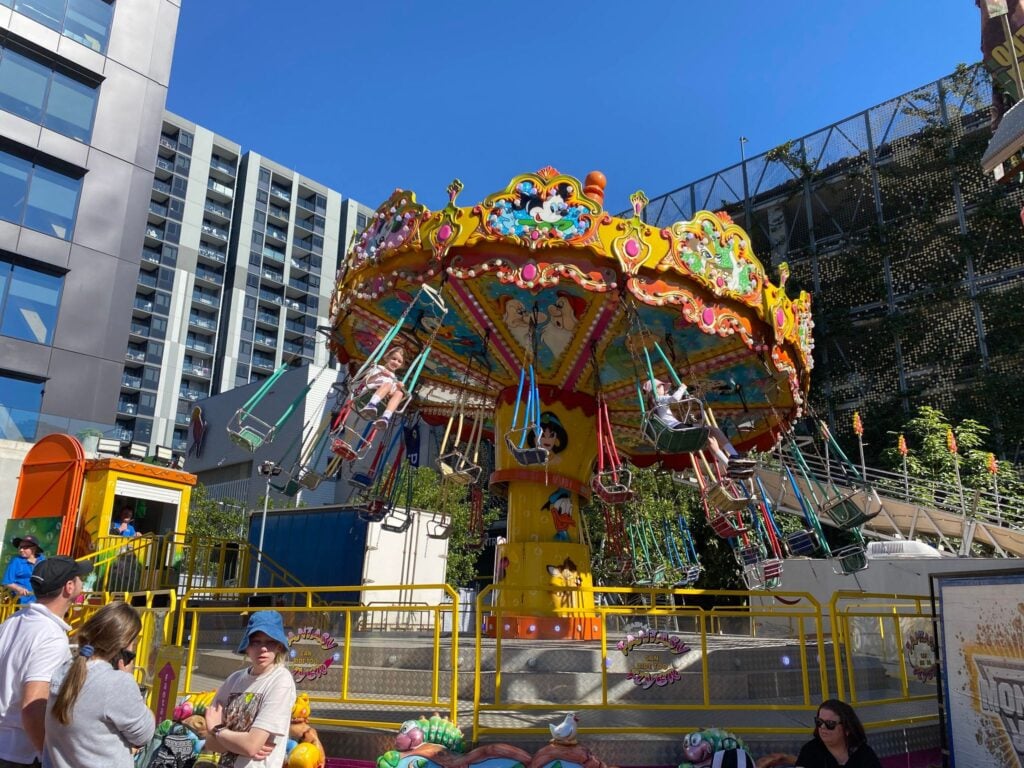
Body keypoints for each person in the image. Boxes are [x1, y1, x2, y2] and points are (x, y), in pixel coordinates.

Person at [0, 556, 91, 767]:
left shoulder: (12, 622)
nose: (82, 583)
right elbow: (33, 706)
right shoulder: (50, 636)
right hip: (20, 753)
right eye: (79, 579)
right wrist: (50, 756)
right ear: (69, 587)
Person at [44, 602, 154, 768]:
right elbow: (144, 734)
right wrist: (129, 679)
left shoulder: (65, 670)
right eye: (134, 643)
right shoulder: (117, 683)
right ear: (124, 646)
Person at [202, 611, 297, 768]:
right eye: (255, 642)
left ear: (279, 646)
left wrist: (217, 729)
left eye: (270, 642)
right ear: (247, 646)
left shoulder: (281, 680)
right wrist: (240, 743)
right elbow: (212, 744)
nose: (263, 649)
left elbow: (250, 746)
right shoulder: (233, 680)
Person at [643, 378, 755, 478]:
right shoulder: (659, 399)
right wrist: (682, 388)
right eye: (661, 386)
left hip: (674, 430)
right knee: (713, 430)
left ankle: (729, 466)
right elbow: (675, 399)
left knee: (710, 440)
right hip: (677, 428)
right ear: (656, 389)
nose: (664, 388)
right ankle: (734, 454)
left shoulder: (653, 405)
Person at [795, 699, 882, 768]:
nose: (822, 727)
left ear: (847, 728)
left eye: (830, 724)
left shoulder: (864, 754)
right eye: (819, 722)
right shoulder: (809, 751)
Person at [354, 347, 407, 428]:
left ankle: (386, 417)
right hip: (367, 394)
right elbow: (364, 381)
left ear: (401, 365)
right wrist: (380, 374)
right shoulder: (379, 368)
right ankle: (371, 404)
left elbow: (391, 394)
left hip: (381, 403)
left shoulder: (394, 378)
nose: (396, 362)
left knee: (399, 393)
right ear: (388, 358)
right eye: (394, 359)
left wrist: (398, 388)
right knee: (388, 384)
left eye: (399, 361)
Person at [3, 536, 45, 604]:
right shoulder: (16, 561)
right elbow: (8, 582)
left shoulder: (43, 560)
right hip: (20, 603)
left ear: (34, 548)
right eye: (20, 547)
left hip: (39, 603)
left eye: (25, 547)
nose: (21, 550)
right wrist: (19, 589)